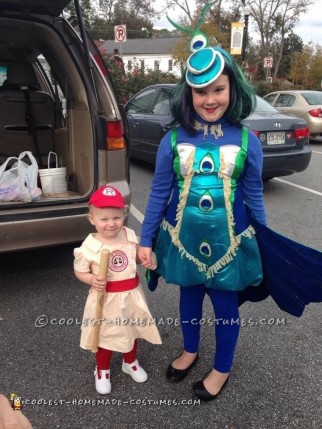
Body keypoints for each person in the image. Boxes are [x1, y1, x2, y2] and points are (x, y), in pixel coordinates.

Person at [138, 19, 267, 400]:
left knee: (226, 305)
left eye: (218, 89)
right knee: (188, 297)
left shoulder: (248, 140)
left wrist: (266, 241)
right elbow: (159, 192)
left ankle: (222, 368)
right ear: (188, 94)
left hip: (231, 244)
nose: (210, 99)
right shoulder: (172, 140)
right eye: (200, 92)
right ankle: (191, 350)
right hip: (183, 242)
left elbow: (255, 195)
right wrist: (146, 240)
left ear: (233, 88)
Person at [74, 185, 161, 394]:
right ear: (91, 219)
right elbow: (79, 271)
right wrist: (91, 279)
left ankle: (129, 362)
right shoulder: (89, 247)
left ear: (124, 215)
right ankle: (102, 369)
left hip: (131, 295)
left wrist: (148, 260)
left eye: (116, 217)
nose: (111, 224)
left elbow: (138, 258)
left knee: (131, 330)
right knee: (104, 334)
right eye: (104, 219)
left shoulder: (130, 236)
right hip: (106, 299)